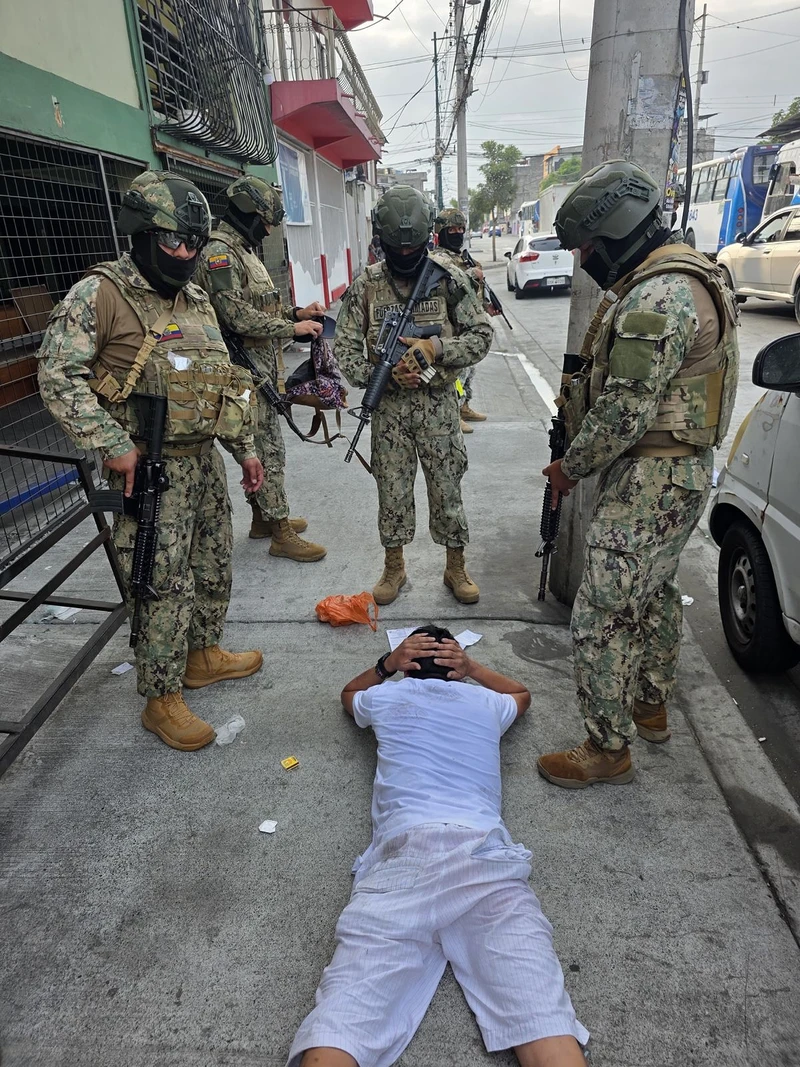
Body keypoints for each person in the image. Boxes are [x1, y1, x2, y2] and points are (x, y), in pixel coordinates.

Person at [287, 626, 590, 1067]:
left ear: (407, 669)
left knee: (343, 1019)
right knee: (542, 1016)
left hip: (404, 856)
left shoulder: (386, 698)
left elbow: (349, 694)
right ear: (456, 668)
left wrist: (385, 666)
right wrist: (474, 669)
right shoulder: (486, 702)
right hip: (486, 858)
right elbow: (521, 694)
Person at [37, 170, 265, 751]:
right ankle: (161, 698)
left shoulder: (196, 298)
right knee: (161, 583)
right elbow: (57, 374)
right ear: (141, 233)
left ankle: (203, 654)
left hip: (203, 462)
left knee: (213, 563)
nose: (185, 254)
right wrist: (111, 442)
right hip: (149, 467)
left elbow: (222, 381)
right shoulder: (100, 293)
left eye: (195, 242)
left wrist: (245, 448)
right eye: (173, 241)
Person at [537, 160, 740, 788]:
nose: (585, 261)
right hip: (679, 472)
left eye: (588, 248)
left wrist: (569, 468)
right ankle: (650, 705)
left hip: (651, 480)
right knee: (653, 593)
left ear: (617, 234)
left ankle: (607, 747)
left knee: (602, 613)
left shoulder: (656, 297)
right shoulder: (694, 273)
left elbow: (626, 409)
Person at [335, 186, 493, 606]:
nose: (405, 254)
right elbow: (344, 348)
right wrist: (382, 377)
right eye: (396, 248)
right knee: (392, 491)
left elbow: (481, 335)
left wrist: (436, 349)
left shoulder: (449, 278)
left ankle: (455, 566)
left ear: (427, 239)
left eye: (413, 247)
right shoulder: (367, 284)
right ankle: (394, 567)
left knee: (447, 488)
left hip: (438, 407)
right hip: (389, 412)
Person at [195, 176, 328, 563]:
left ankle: (261, 520)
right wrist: (291, 329)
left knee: (261, 444)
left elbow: (260, 306)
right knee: (266, 449)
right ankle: (281, 533)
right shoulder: (220, 254)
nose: (268, 230)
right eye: (265, 221)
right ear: (248, 214)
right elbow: (236, 317)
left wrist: (296, 313)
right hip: (242, 371)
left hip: (260, 369)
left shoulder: (244, 251)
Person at [431, 207, 496, 433]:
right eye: (452, 230)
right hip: (451, 325)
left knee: (470, 370)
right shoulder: (438, 259)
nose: (457, 233)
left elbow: (474, 293)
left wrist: (487, 306)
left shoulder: (464, 259)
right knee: (457, 373)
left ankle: (465, 405)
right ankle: (454, 412)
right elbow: (449, 286)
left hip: (469, 322)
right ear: (441, 232)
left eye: (461, 229)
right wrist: (471, 275)